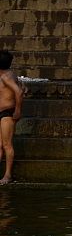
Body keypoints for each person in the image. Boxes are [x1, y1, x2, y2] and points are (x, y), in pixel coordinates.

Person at [0, 50, 22, 184]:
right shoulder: (6, 75)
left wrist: (18, 111)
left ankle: (8, 175)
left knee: (7, 145)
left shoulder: (6, 76)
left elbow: (19, 92)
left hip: (7, 113)